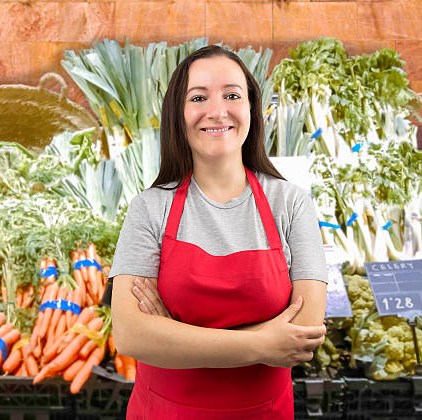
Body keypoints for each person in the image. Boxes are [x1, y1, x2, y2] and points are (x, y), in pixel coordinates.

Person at [109, 45, 329, 419]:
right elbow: (131, 335)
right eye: (199, 97)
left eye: (232, 95)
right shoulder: (149, 208)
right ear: (179, 114)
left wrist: (173, 332)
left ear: (251, 109)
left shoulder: (291, 204)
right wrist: (262, 342)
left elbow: (302, 335)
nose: (217, 110)